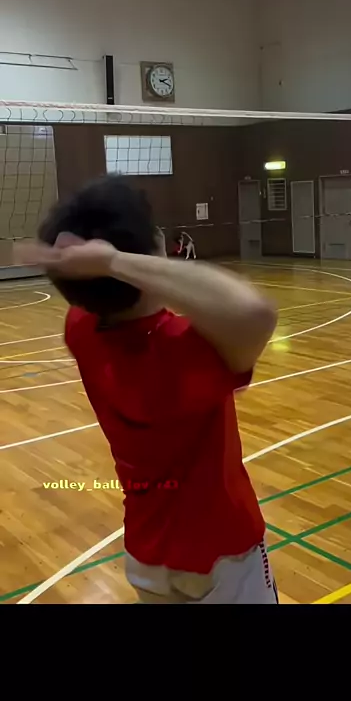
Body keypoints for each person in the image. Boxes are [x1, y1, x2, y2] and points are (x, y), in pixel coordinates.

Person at [15, 176, 279, 604]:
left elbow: (95, 299)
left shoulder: (81, 330)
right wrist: (114, 260)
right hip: (221, 552)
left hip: (145, 552)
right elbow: (253, 310)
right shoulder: (186, 349)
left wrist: (95, 264)